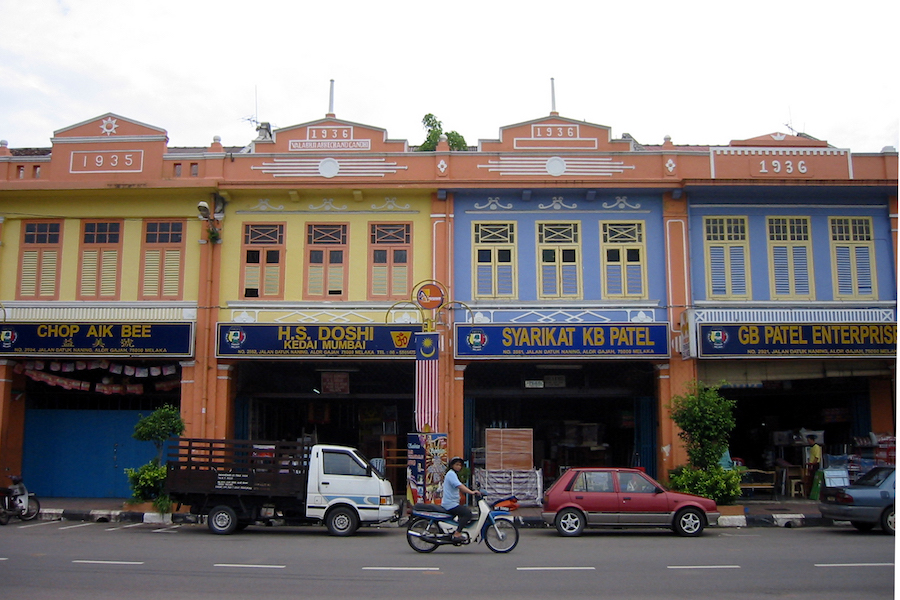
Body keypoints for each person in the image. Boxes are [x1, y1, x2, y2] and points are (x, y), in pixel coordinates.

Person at [442, 456, 479, 541]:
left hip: (453, 503)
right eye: (457, 464)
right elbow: (460, 486)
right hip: (450, 504)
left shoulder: (453, 474)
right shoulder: (451, 474)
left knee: (463, 513)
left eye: (460, 465)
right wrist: (471, 492)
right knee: (467, 513)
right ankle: (457, 533)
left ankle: (459, 530)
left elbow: (460, 486)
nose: (458, 467)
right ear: (452, 465)